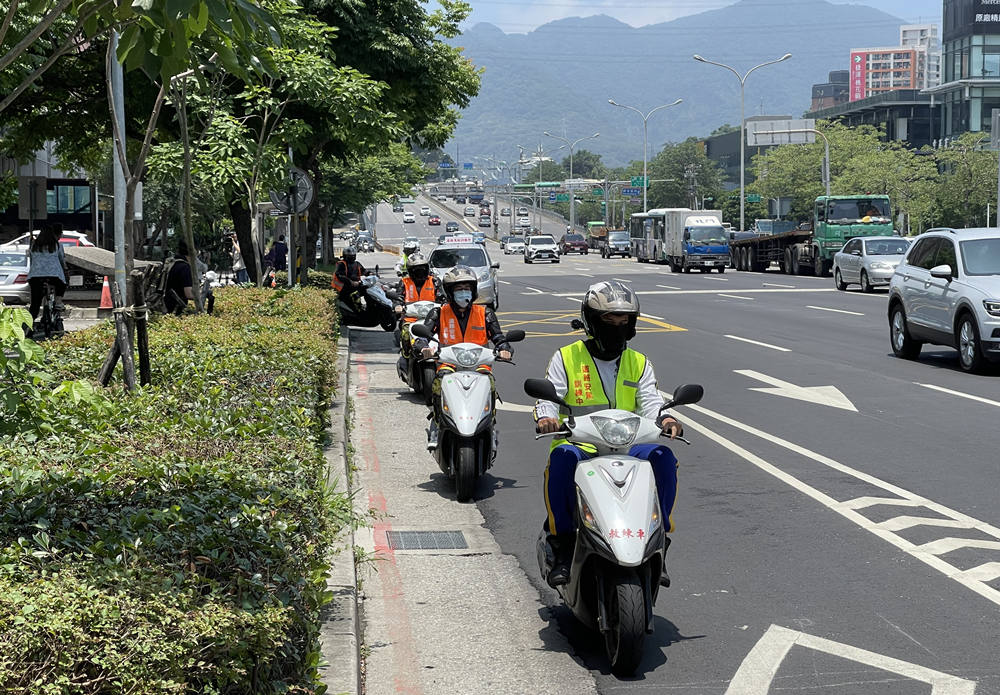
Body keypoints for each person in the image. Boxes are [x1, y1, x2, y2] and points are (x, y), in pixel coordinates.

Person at [533, 280, 682, 588]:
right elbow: (548, 398)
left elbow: (652, 402)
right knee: (560, 460)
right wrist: (547, 418)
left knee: (663, 457)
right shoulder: (566, 357)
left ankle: (659, 542)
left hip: (628, 446)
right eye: (609, 318)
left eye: (624, 319)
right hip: (579, 444)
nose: (617, 325)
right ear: (590, 319)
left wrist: (667, 419)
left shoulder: (638, 362)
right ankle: (560, 545)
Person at [413, 265, 511, 450]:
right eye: (459, 289)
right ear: (449, 292)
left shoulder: (485, 313)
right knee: (438, 384)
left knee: (490, 385)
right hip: (449, 365)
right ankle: (436, 424)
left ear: (473, 291)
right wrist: (423, 347)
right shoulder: (439, 313)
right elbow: (422, 336)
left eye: (467, 288)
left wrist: (504, 348)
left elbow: (499, 338)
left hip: (479, 366)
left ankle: (490, 425)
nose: (463, 292)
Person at [392, 252, 445, 354]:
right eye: (416, 269)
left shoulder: (434, 281)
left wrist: (445, 304)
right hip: (410, 318)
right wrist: (397, 306)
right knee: (406, 334)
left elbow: (442, 297)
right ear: (410, 270)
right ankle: (406, 356)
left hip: (432, 318)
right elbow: (398, 298)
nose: (420, 272)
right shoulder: (404, 282)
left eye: (422, 268)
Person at [26, 222, 68, 328]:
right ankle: (58, 301)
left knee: (35, 304)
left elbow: (32, 261)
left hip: (35, 276)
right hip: (54, 276)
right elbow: (62, 260)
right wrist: (65, 270)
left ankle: (28, 328)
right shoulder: (57, 245)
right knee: (62, 283)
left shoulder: (33, 245)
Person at [164, 240, 195, 315]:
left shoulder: (171, 263)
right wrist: (202, 295)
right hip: (176, 308)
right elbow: (189, 294)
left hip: (165, 304)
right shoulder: (185, 267)